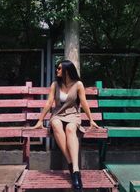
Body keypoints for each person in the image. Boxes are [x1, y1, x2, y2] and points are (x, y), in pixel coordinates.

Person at [32, 60, 100, 191]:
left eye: (59, 68)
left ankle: (75, 170)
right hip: (57, 114)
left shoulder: (78, 84)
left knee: (70, 128)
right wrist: (40, 121)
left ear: (67, 71)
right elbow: (49, 103)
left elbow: (84, 102)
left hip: (73, 114)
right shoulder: (55, 84)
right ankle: (72, 164)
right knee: (56, 124)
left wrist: (91, 120)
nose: (57, 70)